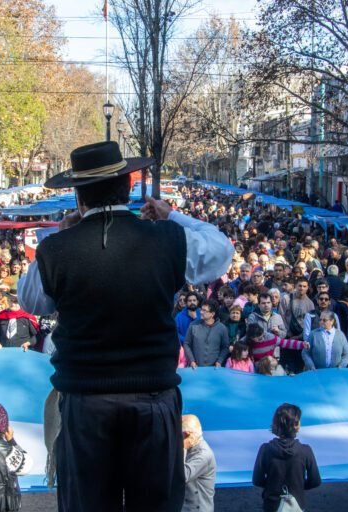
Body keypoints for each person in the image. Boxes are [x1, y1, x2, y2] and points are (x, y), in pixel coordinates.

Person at [18, 141, 232, 511]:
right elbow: (221, 249)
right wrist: (172, 216)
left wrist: (60, 235)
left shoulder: (57, 249)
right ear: (128, 188)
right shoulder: (166, 239)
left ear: (78, 197)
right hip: (152, 404)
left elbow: (30, 298)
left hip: (86, 408)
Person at [252, 403, 321, 511]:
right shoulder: (305, 450)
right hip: (296, 505)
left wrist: (272, 485)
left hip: (272, 505)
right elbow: (315, 481)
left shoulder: (265, 449)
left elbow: (257, 480)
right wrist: (298, 486)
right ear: (296, 425)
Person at [181, 415, 216, 512]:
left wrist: (182, 448)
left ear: (186, 434)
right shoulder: (190, 447)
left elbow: (182, 476)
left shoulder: (203, 455)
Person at [183, 299, 229, 368]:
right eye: (201, 309)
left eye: (204, 310)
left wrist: (219, 361)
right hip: (196, 368)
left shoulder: (222, 328)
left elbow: (225, 347)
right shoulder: (193, 325)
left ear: (212, 314)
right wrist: (191, 360)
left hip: (213, 369)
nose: (201, 312)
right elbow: (186, 344)